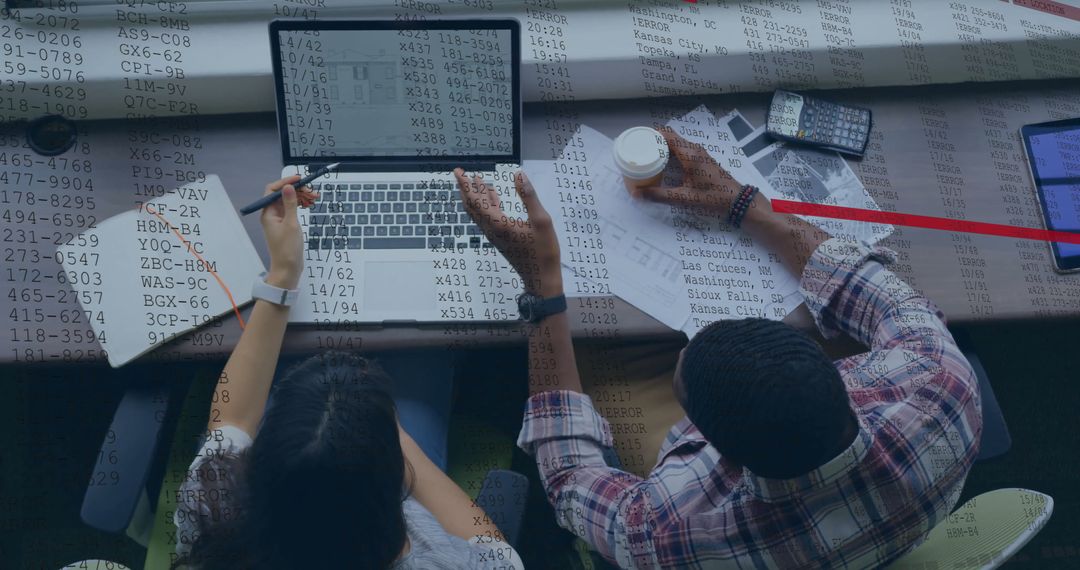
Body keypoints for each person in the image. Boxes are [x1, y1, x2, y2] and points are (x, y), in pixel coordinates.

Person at [453, 127, 982, 569]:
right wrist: (744, 206)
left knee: (600, 358)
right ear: (838, 375)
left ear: (714, 447)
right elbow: (863, 283)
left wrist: (542, 286)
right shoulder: (942, 384)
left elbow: (570, 480)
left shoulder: (667, 532)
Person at [171, 176, 521, 570]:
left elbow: (232, 421)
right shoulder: (438, 560)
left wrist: (283, 274)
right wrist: (379, 428)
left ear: (258, 469)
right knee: (430, 349)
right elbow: (494, 549)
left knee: (292, 346)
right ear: (394, 487)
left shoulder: (214, 508)